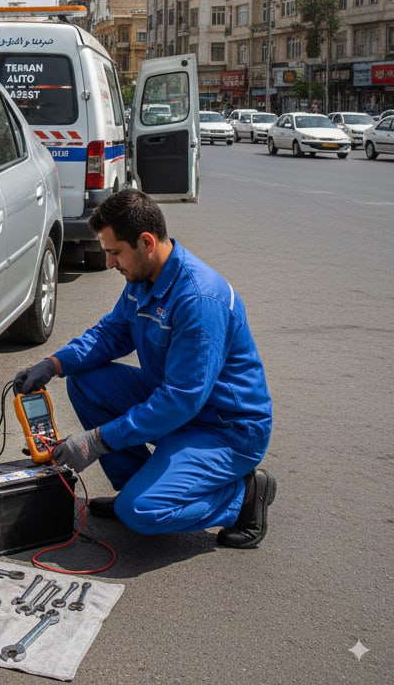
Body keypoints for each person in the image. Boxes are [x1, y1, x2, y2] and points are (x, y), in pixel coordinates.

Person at [14, 189, 275, 549]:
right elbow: (111, 334)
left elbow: (180, 401)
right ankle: (137, 487)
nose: (109, 264)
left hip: (224, 429)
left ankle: (241, 496)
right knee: (86, 382)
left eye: (114, 252)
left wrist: (96, 441)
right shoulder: (144, 280)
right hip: (179, 406)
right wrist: (55, 363)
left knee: (143, 513)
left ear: (146, 242)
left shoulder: (199, 300)